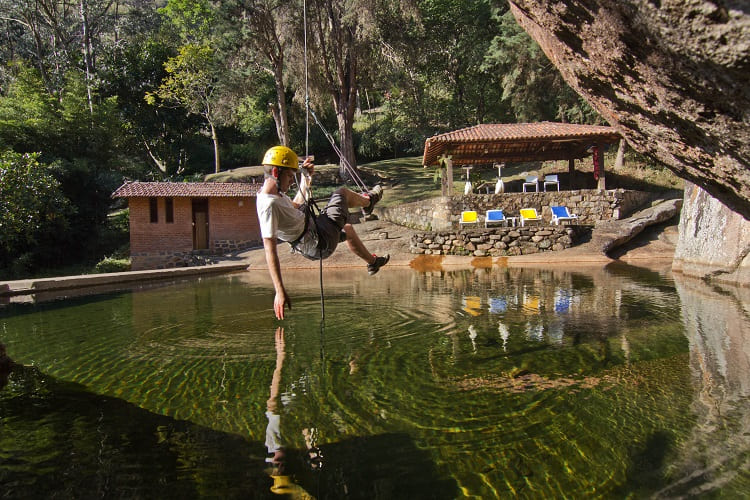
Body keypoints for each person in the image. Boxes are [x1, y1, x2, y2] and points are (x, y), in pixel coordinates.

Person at [257, 146, 390, 320]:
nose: (291, 181)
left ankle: (373, 263)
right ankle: (368, 202)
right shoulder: (269, 205)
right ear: (275, 171)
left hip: (317, 237)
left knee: (347, 229)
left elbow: (296, 205)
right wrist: (279, 291)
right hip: (320, 240)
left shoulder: (276, 195)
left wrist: (306, 178)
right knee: (341, 193)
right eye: (290, 176)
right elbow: (270, 249)